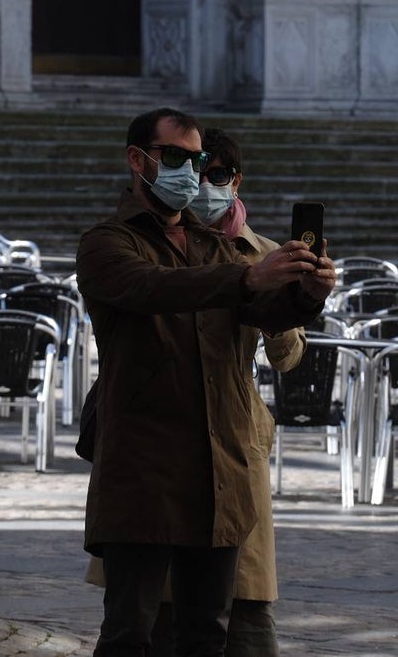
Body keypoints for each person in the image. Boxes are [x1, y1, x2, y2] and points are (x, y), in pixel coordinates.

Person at [76, 107, 335, 657]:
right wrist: (246, 276)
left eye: (196, 162)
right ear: (137, 160)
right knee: (130, 635)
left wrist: (309, 291)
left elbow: (265, 311)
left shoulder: (217, 247)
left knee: (206, 636)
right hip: (143, 473)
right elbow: (155, 289)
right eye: (174, 159)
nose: (188, 173)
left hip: (218, 472)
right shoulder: (106, 243)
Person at [187, 127, 302, 657]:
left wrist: (291, 301)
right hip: (169, 427)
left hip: (237, 428)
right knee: (163, 602)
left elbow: (288, 357)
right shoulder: (152, 247)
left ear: (235, 182)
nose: (204, 184)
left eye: (216, 175)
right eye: (194, 172)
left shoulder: (266, 252)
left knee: (247, 600)